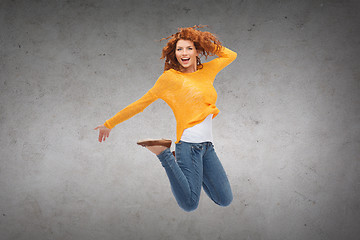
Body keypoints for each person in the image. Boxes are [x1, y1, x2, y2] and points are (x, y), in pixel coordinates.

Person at [94, 25, 237, 212]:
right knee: (189, 204)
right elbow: (141, 103)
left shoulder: (206, 71)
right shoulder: (169, 79)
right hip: (188, 146)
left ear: (196, 51)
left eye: (189, 48)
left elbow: (230, 55)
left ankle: (183, 166)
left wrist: (203, 42)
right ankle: (164, 153)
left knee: (224, 199)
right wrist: (109, 124)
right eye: (179, 49)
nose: (183, 53)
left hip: (208, 148)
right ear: (174, 53)